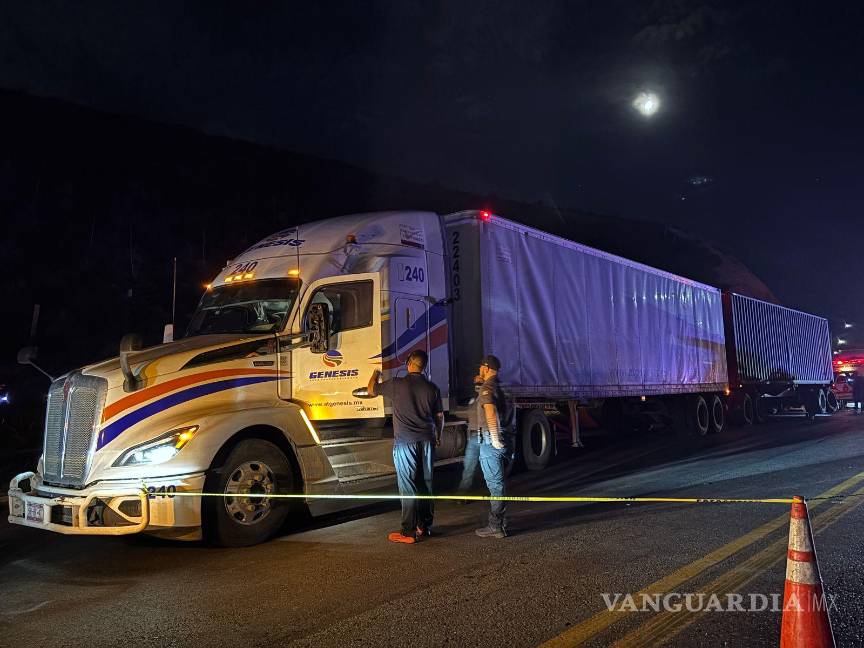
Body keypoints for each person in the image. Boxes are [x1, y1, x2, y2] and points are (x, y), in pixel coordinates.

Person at [367, 350, 444, 544]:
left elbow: (371, 389)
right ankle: (424, 526)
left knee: (408, 485)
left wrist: (376, 373)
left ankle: (408, 532)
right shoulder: (432, 388)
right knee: (426, 483)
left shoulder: (397, 384)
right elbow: (439, 417)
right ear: (424, 366)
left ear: (409, 363)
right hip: (426, 441)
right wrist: (438, 436)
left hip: (405, 443)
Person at [474, 355, 511, 539]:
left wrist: (494, 438)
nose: (479, 369)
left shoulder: (487, 389)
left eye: (481, 367)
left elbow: (490, 411)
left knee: (495, 486)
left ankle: (495, 526)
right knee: (501, 484)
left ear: (486, 367)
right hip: (506, 440)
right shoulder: (501, 387)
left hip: (491, 442)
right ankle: (502, 523)